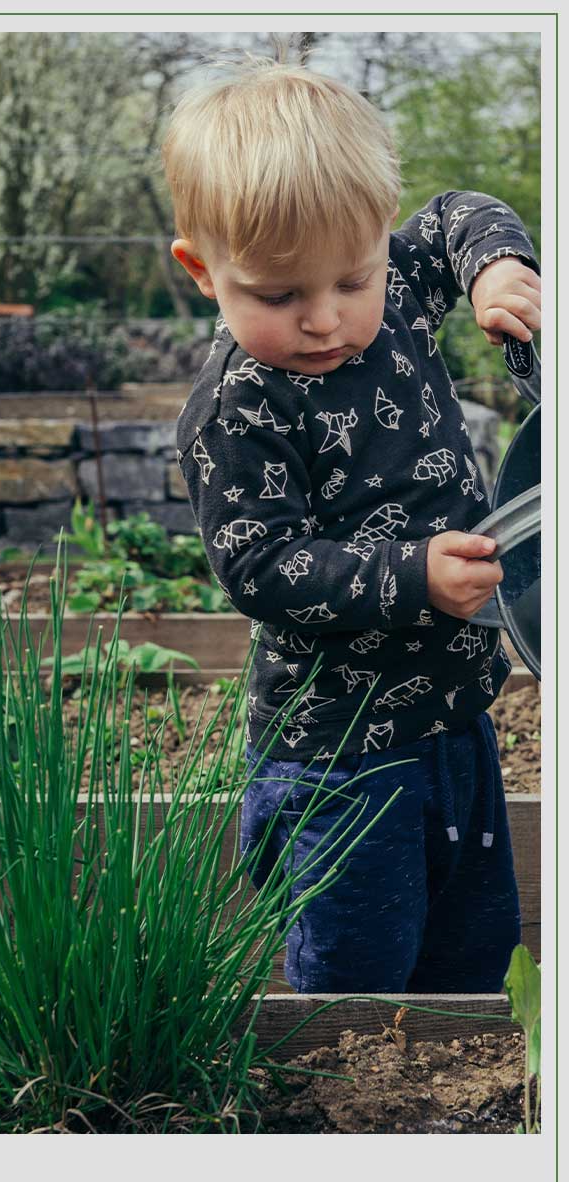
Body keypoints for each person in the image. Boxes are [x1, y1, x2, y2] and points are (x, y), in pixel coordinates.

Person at [163, 59, 541, 993]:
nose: (326, 318)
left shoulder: (400, 288)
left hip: (457, 720)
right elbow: (261, 564)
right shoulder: (239, 410)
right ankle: (357, 1122)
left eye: (352, 278)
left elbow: (458, 212)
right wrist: (412, 576)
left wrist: (496, 268)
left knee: (473, 950)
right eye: (279, 296)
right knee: (359, 978)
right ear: (203, 272)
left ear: (378, 243)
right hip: (341, 757)